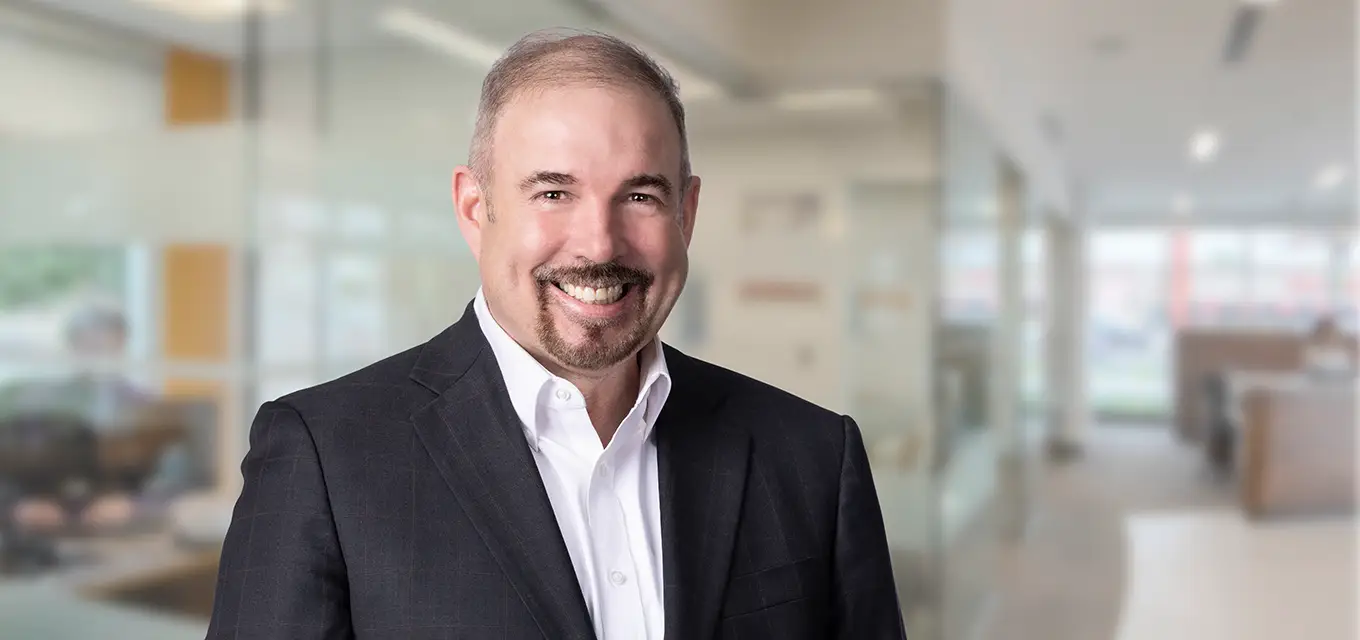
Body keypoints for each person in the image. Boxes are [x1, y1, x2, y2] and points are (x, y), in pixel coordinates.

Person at [207, 29, 905, 640]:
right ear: (475, 211)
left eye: (639, 196)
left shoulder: (813, 457)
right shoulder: (324, 456)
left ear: (687, 214)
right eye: (552, 193)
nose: (598, 242)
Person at [0, 304, 191, 533]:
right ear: (72, 346)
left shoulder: (145, 408)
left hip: (119, 530)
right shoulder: (38, 405)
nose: (99, 355)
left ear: (122, 346)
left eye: (109, 345)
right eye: (89, 345)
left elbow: (176, 477)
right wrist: (17, 506)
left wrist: (136, 506)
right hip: (42, 528)